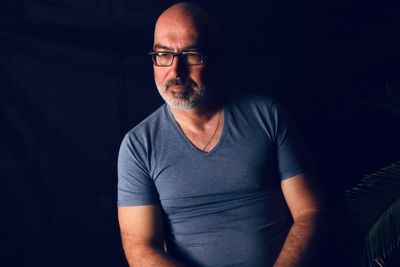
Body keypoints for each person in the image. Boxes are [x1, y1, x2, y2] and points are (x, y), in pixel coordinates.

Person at [117, 2, 324, 266]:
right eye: (163, 55)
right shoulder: (138, 146)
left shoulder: (268, 116)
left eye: (191, 55)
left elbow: (310, 212)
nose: (175, 71)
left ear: (216, 57)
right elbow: (141, 249)